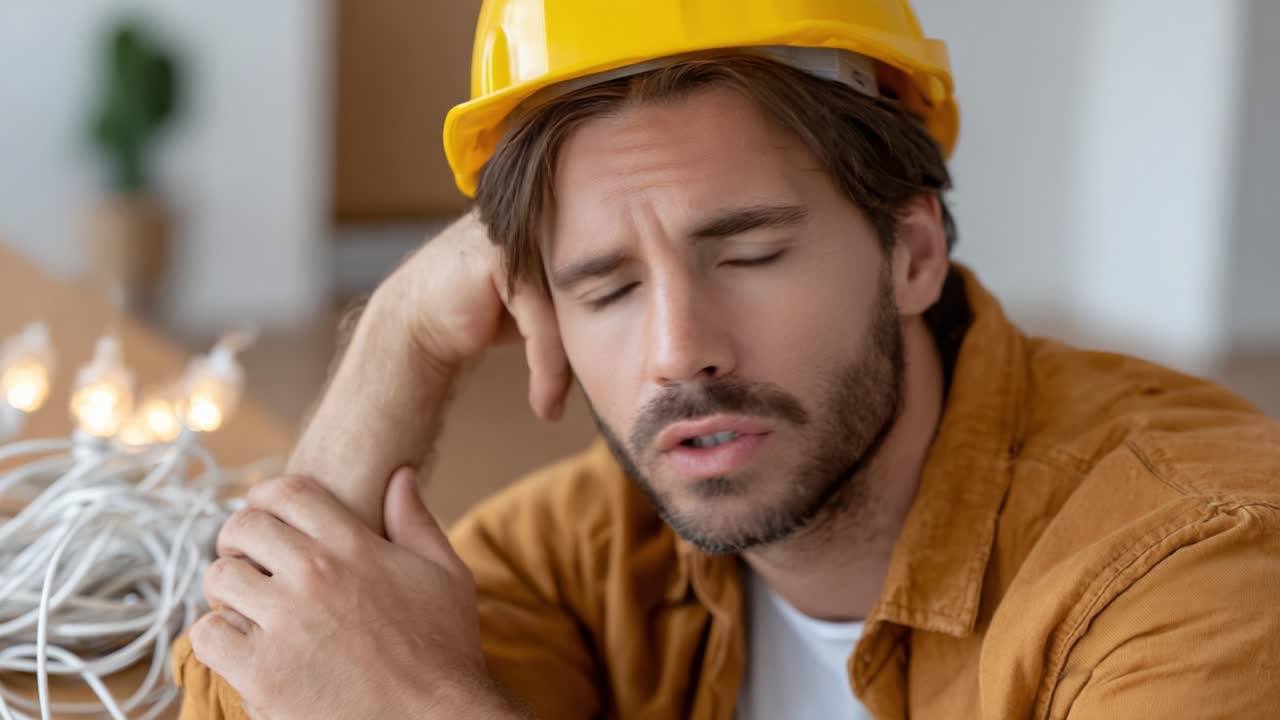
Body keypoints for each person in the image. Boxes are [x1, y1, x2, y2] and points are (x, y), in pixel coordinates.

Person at [172, 1, 1280, 718]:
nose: (675, 353)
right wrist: (402, 337)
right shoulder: (595, 554)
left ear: (908, 251)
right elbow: (249, 692)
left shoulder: (1193, 561)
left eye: (747, 253)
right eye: (602, 288)